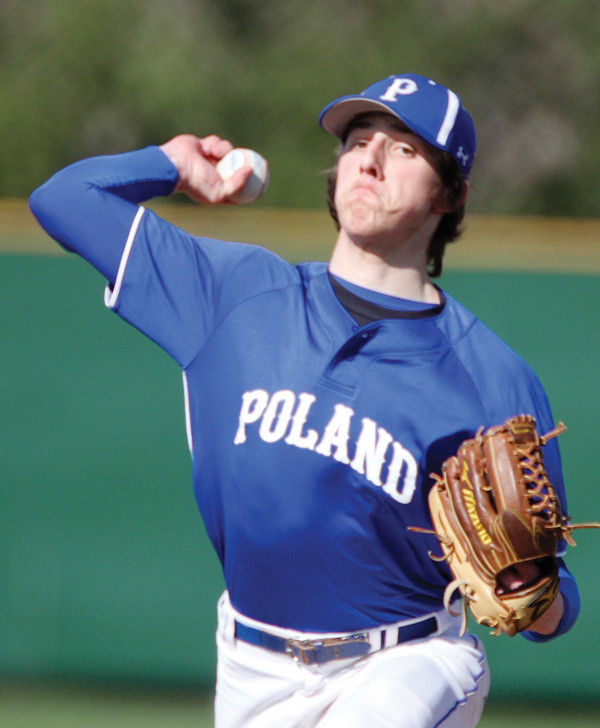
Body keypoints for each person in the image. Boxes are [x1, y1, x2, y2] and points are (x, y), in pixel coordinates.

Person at [29, 73, 579, 728]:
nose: (370, 158)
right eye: (358, 140)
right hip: (250, 669)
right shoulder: (231, 295)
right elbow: (63, 199)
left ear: (450, 195)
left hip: (407, 663)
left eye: (404, 149)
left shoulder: (491, 378)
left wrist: (533, 594)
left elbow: (554, 602)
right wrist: (170, 166)